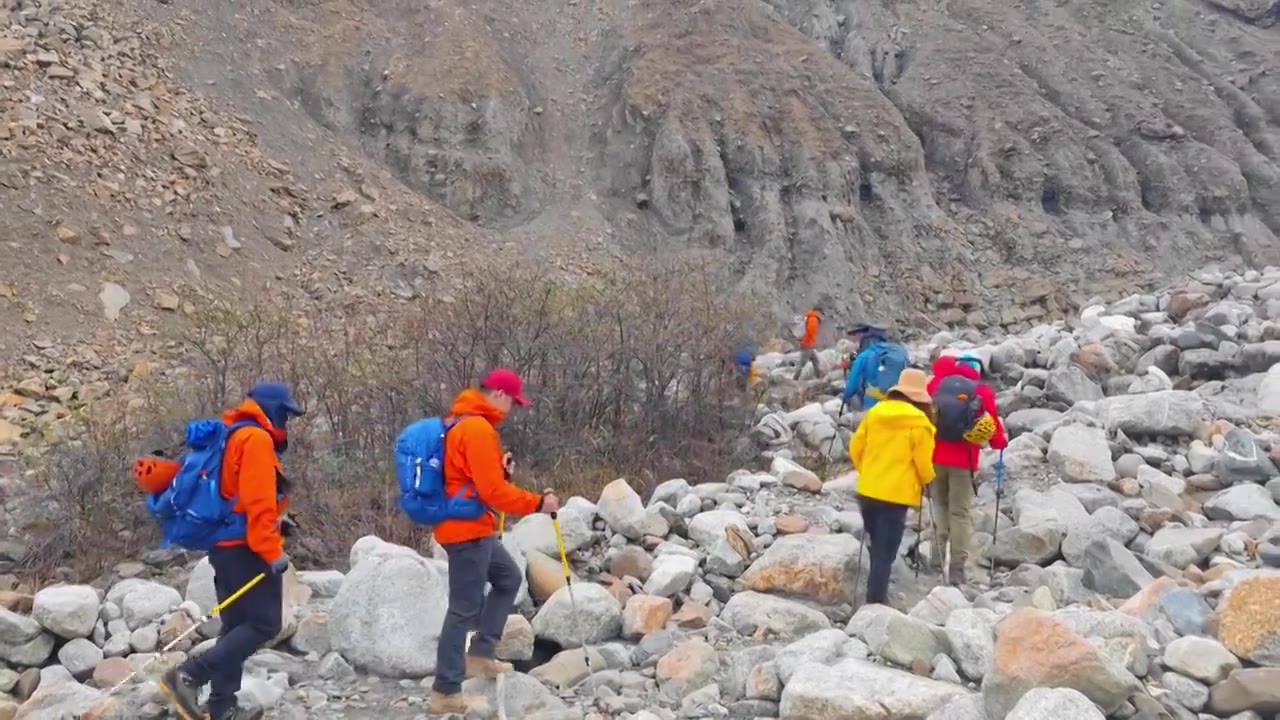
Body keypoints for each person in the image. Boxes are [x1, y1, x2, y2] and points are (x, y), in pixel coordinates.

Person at [162, 383, 304, 720]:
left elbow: (237, 498)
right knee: (264, 625)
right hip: (246, 550)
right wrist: (272, 552)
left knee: (236, 626)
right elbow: (257, 505)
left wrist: (277, 525)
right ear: (272, 409)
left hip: (226, 547)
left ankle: (222, 707)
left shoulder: (233, 434)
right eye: (285, 413)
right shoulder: (255, 440)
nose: (287, 421)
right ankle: (189, 675)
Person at [430, 369, 561, 715]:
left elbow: (470, 479)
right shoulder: (477, 429)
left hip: (472, 526)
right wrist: (537, 503)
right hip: (466, 532)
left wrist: (498, 470)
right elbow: (494, 493)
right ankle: (445, 691)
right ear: (501, 394)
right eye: (513, 403)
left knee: (508, 578)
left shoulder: (460, 422)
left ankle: (481, 654)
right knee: (463, 608)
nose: (511, 410)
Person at [848, 368, 937, 606]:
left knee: (876, 542)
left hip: (867, 490)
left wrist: (867, 470)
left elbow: (856, 447)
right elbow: (923, 463)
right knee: (886, 551)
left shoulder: (876, 412)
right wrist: (928, 481)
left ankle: (872, 591)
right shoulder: (920, 423)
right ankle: (875, 601)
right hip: (895, 495)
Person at [926, 353, 1008, 585]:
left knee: (939, 506)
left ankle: (935, 562)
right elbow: (991, 425)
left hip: (934, 457)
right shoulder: (981, 391)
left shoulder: (935, 386)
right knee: (960, 513)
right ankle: (957, 569)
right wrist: (999, 443)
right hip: (964, 459)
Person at [841, 326, 908, 411]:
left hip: (874, 403)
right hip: (898, 401)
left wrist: (843, 396)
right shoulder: (899, 351)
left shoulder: (865, 355)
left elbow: (851, 386)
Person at [792, 305, 823, 381]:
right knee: (802, 363)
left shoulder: (809, 317)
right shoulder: (813, 319)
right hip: (808, 344)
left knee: (815, 360)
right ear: (818, 312)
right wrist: (808, 342)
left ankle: (819, 377)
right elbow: (811, 332)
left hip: (808, 343)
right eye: (821, 313)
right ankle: (795, 378)